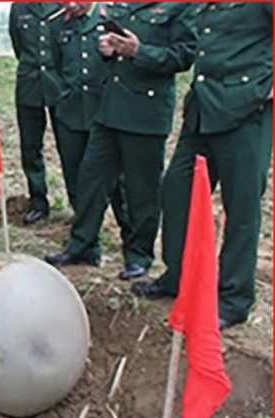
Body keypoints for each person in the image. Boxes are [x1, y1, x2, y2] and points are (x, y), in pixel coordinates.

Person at [132, 2, 273, 330]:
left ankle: (234, 299)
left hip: (246, 112)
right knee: (176, 192)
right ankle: (178, 277)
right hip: (203, 110)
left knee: (241, 208)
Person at [45, 2, 197, 280]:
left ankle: (139, 255)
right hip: (110, 107)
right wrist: (109, 50)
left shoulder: (177, 7)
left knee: (142, 191)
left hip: (145, 113)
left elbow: (184, 55)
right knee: (91, 178)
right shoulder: (122, 5)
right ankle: (82, 245)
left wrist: (140, 51)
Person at [50, 2, 131, 251]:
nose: (71, 5)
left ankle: (131, 239)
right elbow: (56, 63)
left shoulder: (112, 17)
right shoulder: (57, 23)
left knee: (116, 182)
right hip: (71, 112)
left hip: (104, 111)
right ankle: (87, 243)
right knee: (76, 178)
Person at [9, 1, 66, 225]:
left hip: (58, 85)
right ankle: (38, 201)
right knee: (31, 147)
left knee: (68, 147)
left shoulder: (62, 5)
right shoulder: (19, 7)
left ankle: (78, 202)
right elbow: (18, 45)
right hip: (29, 85)